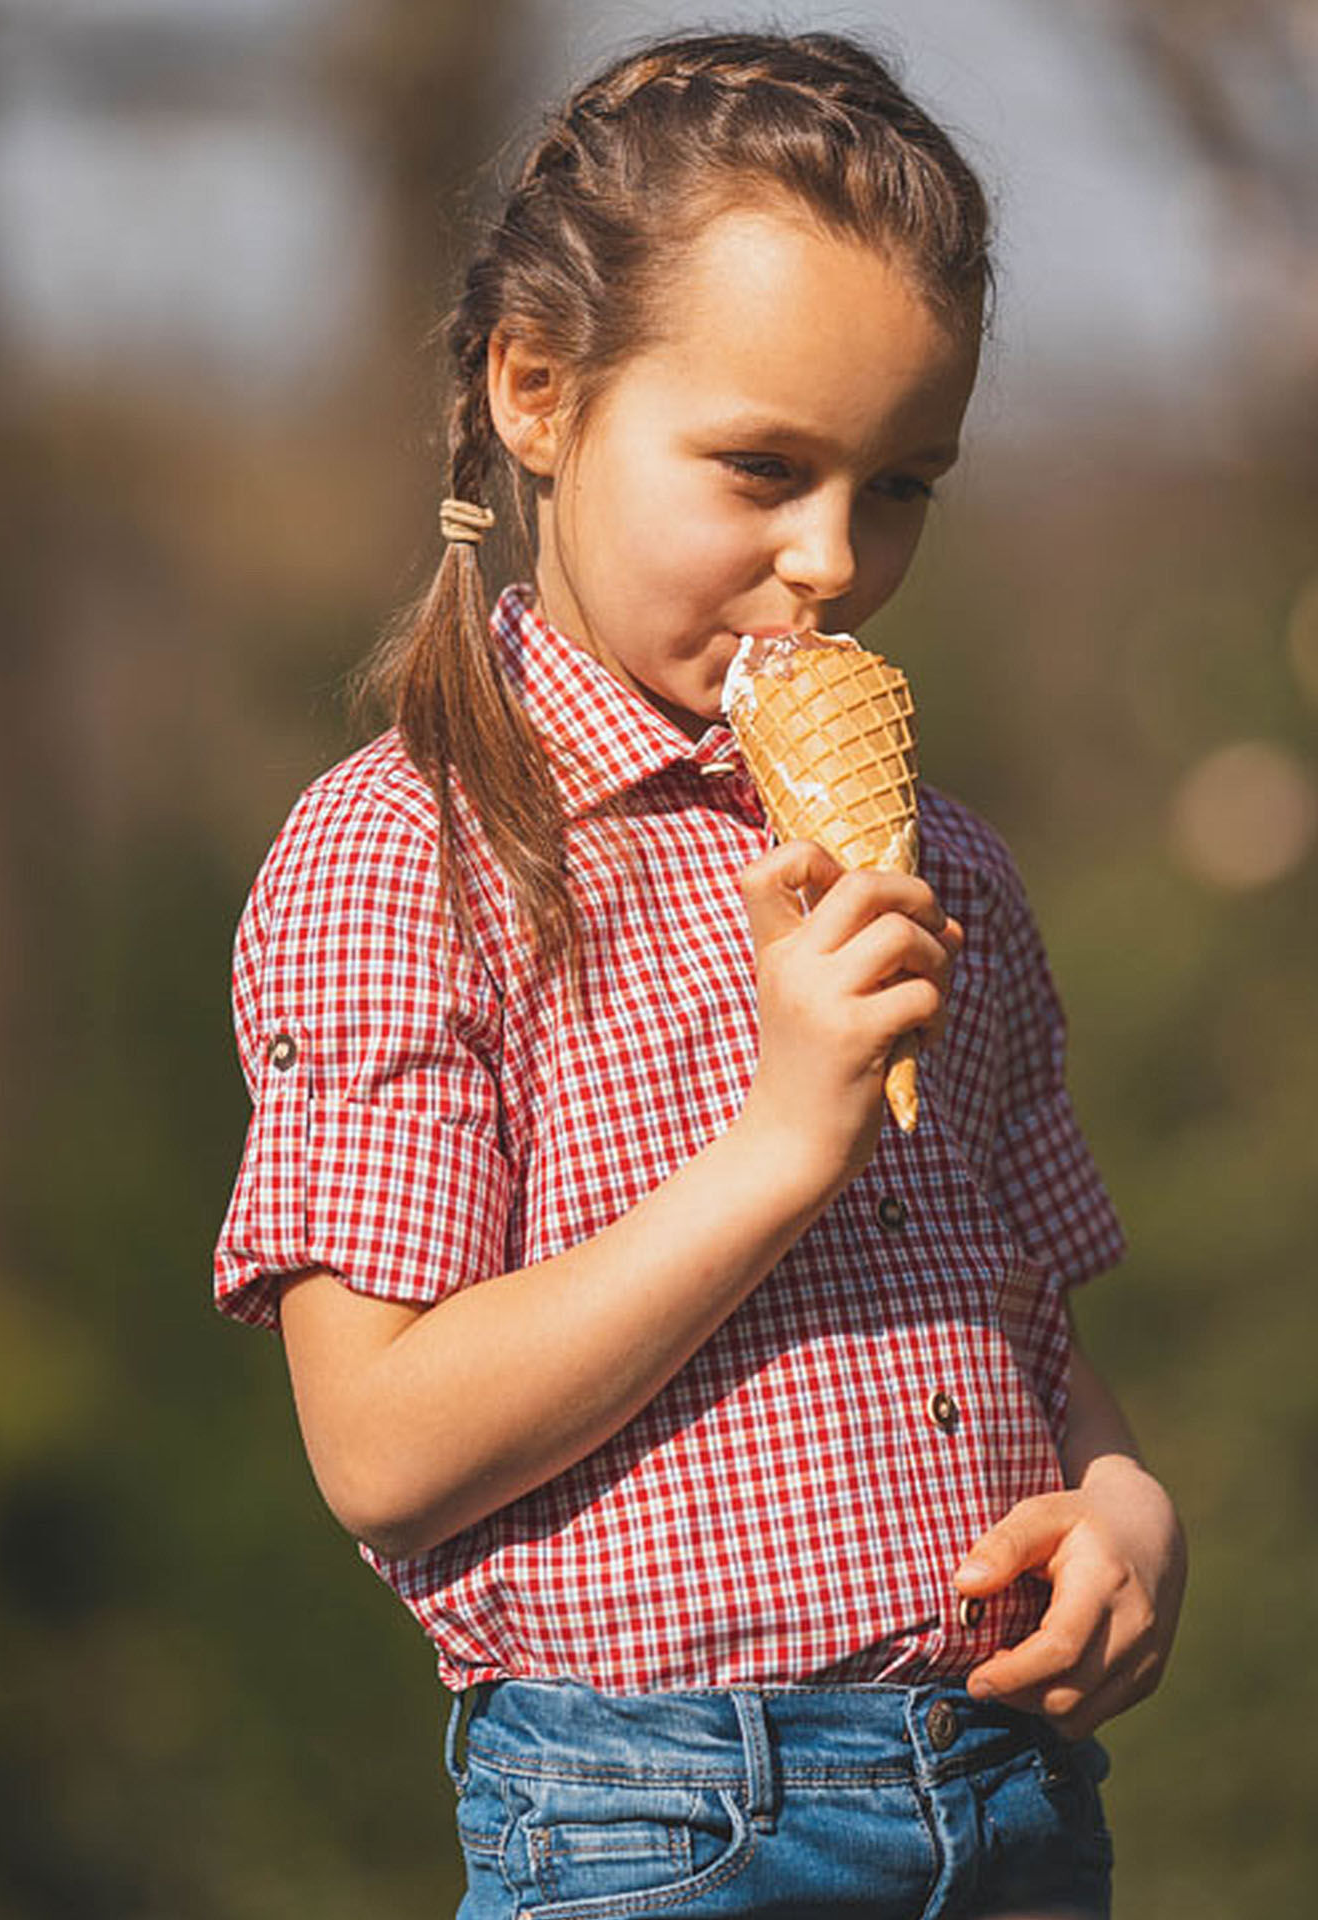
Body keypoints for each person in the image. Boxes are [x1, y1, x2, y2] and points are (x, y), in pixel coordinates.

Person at [213, 30, 1185, 1920]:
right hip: (663, 1817)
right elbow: (381, 1447)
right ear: (539, 391)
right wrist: (780, 1140)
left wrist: (1128, 1511)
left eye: (903, 485)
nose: (829, 557)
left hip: (1015, 1797)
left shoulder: (951, 864)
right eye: (763, 467)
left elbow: (1041, 1332)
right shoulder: (409, 852)